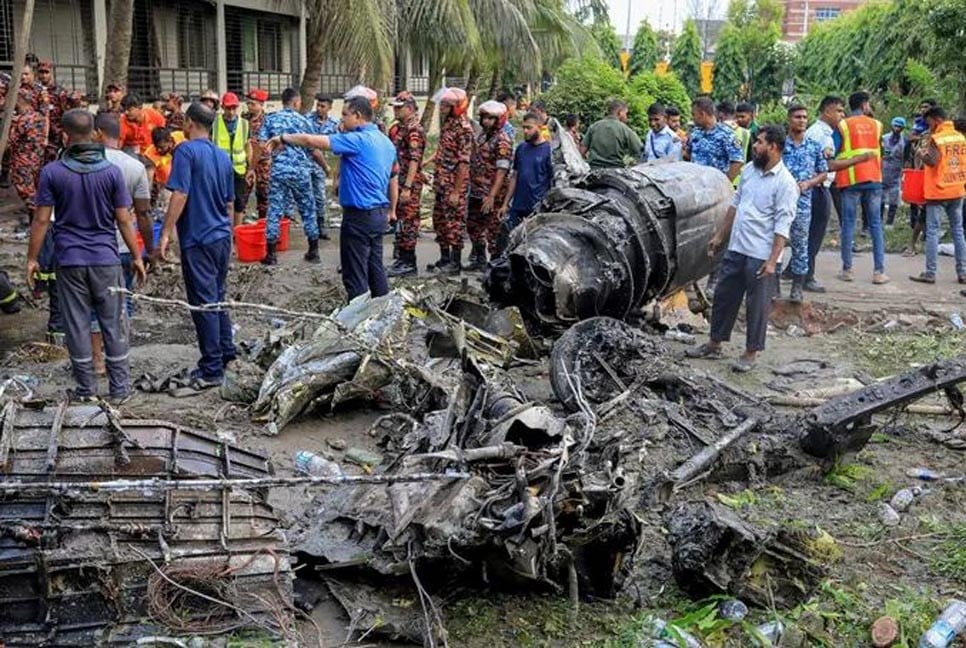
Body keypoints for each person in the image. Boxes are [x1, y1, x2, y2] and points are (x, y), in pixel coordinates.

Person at [25, 108, 146, 402]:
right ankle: (119, 389)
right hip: (106, 259)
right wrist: (137, 256)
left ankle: (86, 389)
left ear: (64, 135)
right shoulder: (111, 172)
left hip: (70, 260)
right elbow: (124, 219)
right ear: (93, 133)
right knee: (113, 322)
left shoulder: (52, 172)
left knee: (77, 324)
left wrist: (32, 259)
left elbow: (41, 220)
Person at [685, 126, 799, 373]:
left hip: (761, 255)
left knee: (756, 306)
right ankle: (714, 344)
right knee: (724, 297)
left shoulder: (786, 183)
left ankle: (750, 353)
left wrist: (772, 261)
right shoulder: (749, 171)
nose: (754, 146)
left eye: (759, 142)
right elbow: (735, 206)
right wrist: (719, 236)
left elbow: (783, 226)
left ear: (773, 147)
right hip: (737, 247)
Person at [266, 95, 397, 300]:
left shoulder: (357, 140)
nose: (341, 119)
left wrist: (282, 138)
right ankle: (383, 309)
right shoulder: (385, 141)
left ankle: (357, 315)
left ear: (357, 116)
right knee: (375, 268)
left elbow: (310, 141)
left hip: (359, 217)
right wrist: (392, 209)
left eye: (345, 115)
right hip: (378, 214)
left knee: (354, 274)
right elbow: (392, 177)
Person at [157, 102, 237, 391]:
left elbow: (180, 193)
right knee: (217, 297)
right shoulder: (222, 156)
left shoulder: (186, 151)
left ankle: (211, 368)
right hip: (220, 236)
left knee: (204, 303)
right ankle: (227, 353)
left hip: (198, 237)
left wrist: (166, 233)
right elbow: (230, 203)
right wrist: (230, 235)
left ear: (189, 122)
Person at [93, 112, 152, 368]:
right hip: (124, 245)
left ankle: (97, 359)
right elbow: (143, 212)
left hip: (92, 248)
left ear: (97, 134)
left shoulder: (82, 163)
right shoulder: (135, 167)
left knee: (94, 303)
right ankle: (120, 354)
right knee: (124, 298)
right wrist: (148, 250)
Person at [257, 87, 319, 265]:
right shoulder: (304, 121)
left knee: (275, 210)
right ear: (296, 102)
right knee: (307, 208)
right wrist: (325, 167)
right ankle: (313, 251)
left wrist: (273, 151)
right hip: (301, 172)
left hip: (279, 171)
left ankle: (271, 254)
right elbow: (313, 149)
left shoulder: (271, 119)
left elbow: (261, 145)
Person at [834, 91, 888, 284]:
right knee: (875, 225)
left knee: (848, 224)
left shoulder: (843, 125)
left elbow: (834, 151)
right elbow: (882, 151)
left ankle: (847, 270)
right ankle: (879, 272)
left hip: (850, 180)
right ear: (865, 105)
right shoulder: (877, 125)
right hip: (873, 179)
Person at [909, 106, 966, 285]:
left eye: (929, 123)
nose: (929, 127)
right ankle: (963, 273)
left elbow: (932, 161)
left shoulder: (937, 138)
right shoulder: (960, 137)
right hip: (957, 189)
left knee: (932, 231)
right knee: (958, 231)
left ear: (937, 120)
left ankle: (930, 273)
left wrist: (920, 153)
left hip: (938, 192)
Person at [781, 104, 828, 302]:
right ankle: (773, 286)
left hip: (802, 203)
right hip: (780, 203)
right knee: (776, 243)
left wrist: (809, 183)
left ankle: (797, 287)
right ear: (789, 120)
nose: (801, 120)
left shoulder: (814, 146)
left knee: (801, 245)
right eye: (797, 117)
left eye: (804, 117)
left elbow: (823, 172)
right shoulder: (780, 145)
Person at [802, 95, 846, 293]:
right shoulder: (822, 134)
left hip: (816, 186)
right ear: (827, 111)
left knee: (809, 232)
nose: (842, 115)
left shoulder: (818, 131)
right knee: (814, 234)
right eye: (839, 111)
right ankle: (806, 276)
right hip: (817, 187)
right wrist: (860, 160)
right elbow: (828, 164)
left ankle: (795, 270)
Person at [429, 87, 474, 273]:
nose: (442, 108)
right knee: (440, 221)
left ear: (456, 107)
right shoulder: (448, 124)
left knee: (453, 223)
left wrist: (456, 191)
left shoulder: (464, 129)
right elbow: (443, 151)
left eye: (446, 106)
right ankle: (444, 258)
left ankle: (455, 263)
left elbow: (463, 164)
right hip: (442, 182)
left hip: (454, 185)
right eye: (442, 105)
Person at [496, 112, 554, 252]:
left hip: (537, 207)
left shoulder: (548, 151)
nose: (525, 131)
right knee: (509, 243)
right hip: (518, 205)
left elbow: (553, 181)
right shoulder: (521, 148)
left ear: (539, 127)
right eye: (523, 128)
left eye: (529, 127)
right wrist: (505, 204)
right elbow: (515, 176)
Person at [466, 100, 513, 271]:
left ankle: (494, 265)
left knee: (493, 230)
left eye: (491, 118)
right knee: (473, 226)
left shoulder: (502, 140)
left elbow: (502, 170)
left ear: (499, 120)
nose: (486, 121)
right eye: (484, 117)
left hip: (493, 194)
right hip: (476, 191)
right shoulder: (482, 136)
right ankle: (479, 259)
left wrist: (492, 195)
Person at [386, 91, 427, 277]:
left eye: (399, 108)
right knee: (402, 221)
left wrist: (408, 187)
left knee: (409, 221)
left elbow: (414, 160)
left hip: (407, 184)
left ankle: (409, 262)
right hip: (399, 181)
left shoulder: (414, 130)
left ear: (409, 109)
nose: (395, 110)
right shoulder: (401, 128)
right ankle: (402, 259)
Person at [212, 91, 254, 225]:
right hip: (220, 170)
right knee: (222, 201)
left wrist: (250, 168)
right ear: (222, 107)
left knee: (239, 203)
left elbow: (248, 146)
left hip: (239, 169)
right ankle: (224, 230)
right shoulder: (214, 124)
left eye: (233, 108)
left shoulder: (244, 124)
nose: (231, 112)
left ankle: (237, 231)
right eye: (228, 108)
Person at [685, 97, 744, 182]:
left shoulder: (726, 134)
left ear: (702, 114)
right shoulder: (695, 133)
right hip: (695, 184)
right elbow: (688, 155)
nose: (692, 118)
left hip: (715, 185)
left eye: (694, 114)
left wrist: (725, 182)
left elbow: (738, 161)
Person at [307, 93, 341, 240]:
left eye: (323, 106)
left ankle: (321, 227)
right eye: (318, 105)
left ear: (329, 108)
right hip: (306, 164)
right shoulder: (307, 120)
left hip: (320, 167)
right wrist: (326, 167)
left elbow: (339, 144)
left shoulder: (334, 124)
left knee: (320, 197)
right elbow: (311, 147)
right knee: (306, 197)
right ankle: (310, 229)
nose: (319, 108)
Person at [10, 89, 47, 216]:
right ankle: (37, 218)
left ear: (19, 100)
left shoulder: (21, 120)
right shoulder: (39, 117)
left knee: (27, 192)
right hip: (37, 159)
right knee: (35, 190)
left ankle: (37, 220)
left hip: (23, 161)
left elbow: (11, 140)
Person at [582, 99, 642, 169]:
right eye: (626, 113)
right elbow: (639, 150)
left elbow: (582, 150)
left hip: (594, 169)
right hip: (615, 170)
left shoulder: (594, 126)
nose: (626, 117)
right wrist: (629, 162)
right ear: (620, 113)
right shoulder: (625, 129)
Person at [244, 88, 271, 222]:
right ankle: (239, 221)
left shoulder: (268, 121)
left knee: (263, 193)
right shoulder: (243, 119)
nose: (250, 106)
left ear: (261, 104)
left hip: (263, 162)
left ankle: (263, 222)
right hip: (246, 160)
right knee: (243, 193)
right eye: (248, 103)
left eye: (253, 104)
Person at [37, 60, 68, 162]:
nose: (44, 75)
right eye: (41, 72)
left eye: (46, 72)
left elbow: (65, 112)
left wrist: (65, 132)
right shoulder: (35, 90)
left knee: (54, 160)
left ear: (51, 73)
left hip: (55, 133)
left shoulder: (59, 91)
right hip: (38, 132)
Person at [881, 117, 907, 227]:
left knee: (894, 199)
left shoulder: (904, 142)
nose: (897, 128)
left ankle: (889, 222)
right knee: (880, 199)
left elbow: (906, 158)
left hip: (896, 174)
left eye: (899, 127)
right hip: (882, 172)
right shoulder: (884, 139)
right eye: (895, 126)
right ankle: (879, 220)